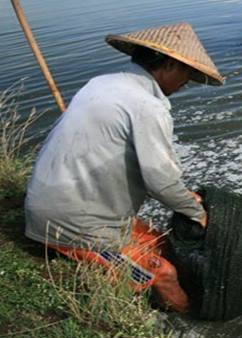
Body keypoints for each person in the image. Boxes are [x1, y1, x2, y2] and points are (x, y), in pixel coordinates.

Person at [24, 22, 224, 313]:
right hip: (69, 225)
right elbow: (161, 183)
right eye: (188, 73)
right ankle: (188, 324)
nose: (188, 82)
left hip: (68, 204)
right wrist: (197, 213)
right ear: (169, 64)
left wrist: (182, 197)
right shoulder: (147, 106)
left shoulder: (102, 83)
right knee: (162, 274)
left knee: (159, 240)